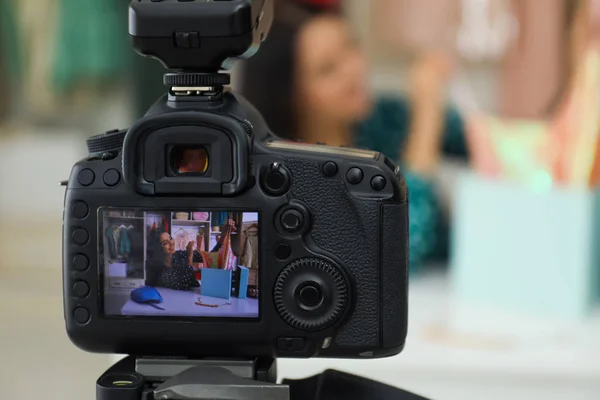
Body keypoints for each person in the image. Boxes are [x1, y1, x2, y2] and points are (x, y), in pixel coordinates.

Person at [239, 0, 468, 271]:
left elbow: (476, 141)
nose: (354, 69)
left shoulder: (384, 118)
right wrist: (427, 118)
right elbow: (397, 254)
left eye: (351, 46)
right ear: (289, 97)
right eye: (328, 69)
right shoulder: (293, 185)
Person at [146, 219, 238, 290]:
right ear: (158, 249)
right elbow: (185, 284)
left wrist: (224, 235)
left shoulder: (180, 254)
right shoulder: (161, 271)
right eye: (165, 243)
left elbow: (210, 257)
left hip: (195, 296)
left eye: (170, 238)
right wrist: (190, 256)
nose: (171, 243)